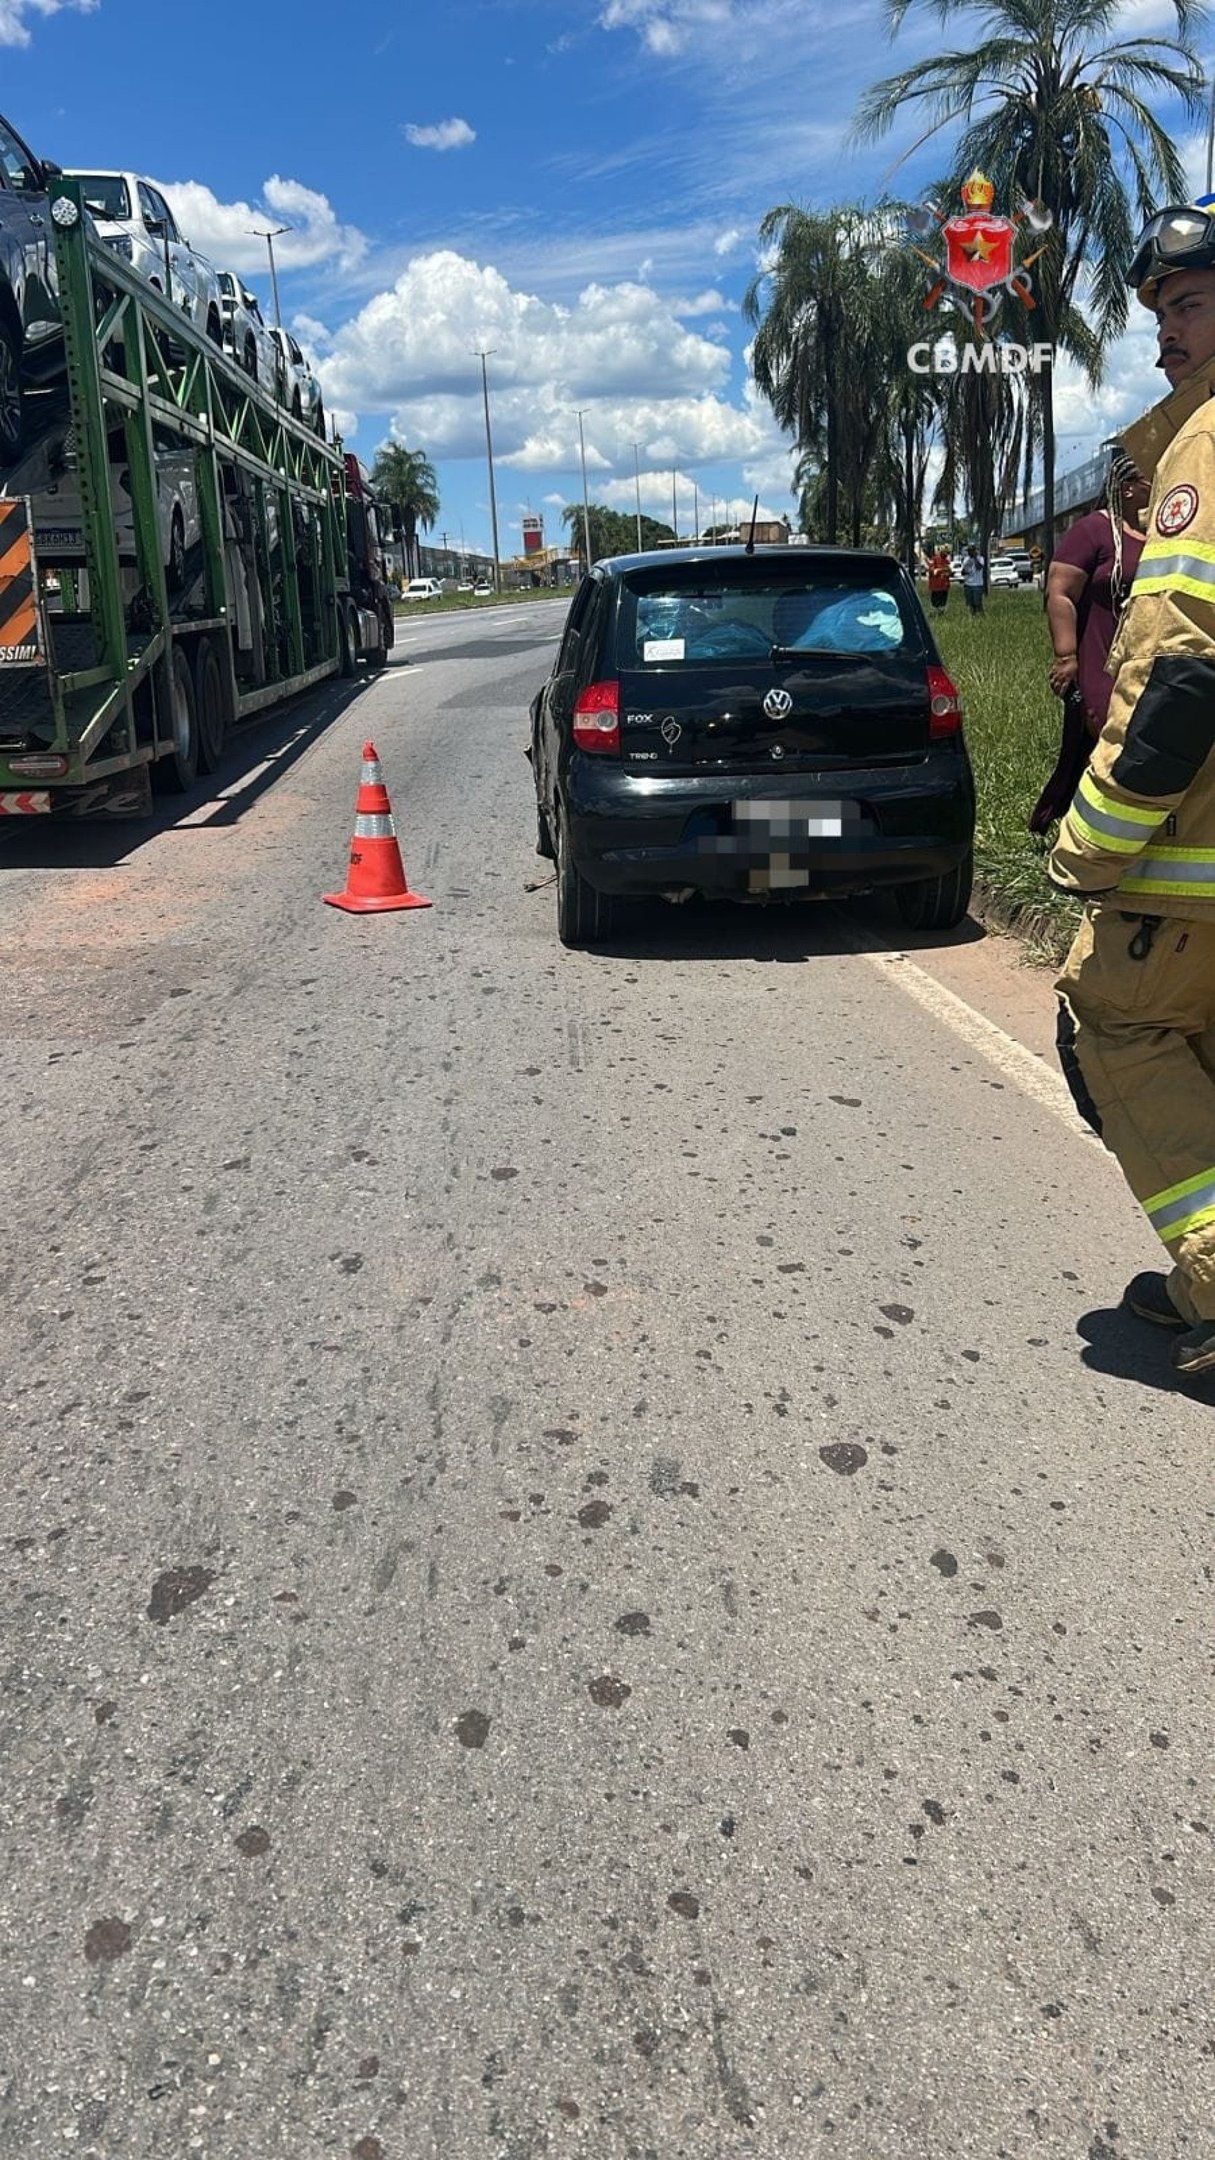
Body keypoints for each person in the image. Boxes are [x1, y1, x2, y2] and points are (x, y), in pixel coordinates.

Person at [1050, 194, 1215, 1379]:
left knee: (1114, 1018)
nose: (1167, 331)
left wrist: (1088, 847)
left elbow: (1180, 683)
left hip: (1189, 859)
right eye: (1162, 308)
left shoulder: (1205, 445)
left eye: (1193, 303)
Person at [1030, 450, 1151, 833]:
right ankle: (1089, 831)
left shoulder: (1155, 534)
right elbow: (1060, 592)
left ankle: (1093, 824)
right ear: (1127, 489)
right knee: (1109, 738)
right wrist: (1067, 656)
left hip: (1144, 656)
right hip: (1099, 655)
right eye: (1149, 480)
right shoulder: (1093, 530)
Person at [925, 545, 952, 611]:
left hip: (944, 586)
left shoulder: (946, 561)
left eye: (947, 553)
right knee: (936, 604)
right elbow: (933, 571)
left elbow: (949, 571)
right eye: (945, 552)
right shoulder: (935, 559)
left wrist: (944, 571)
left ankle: (941, 613)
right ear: (941, 552)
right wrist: (942, 570)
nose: (946, 554)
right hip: (936, 586)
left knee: (943, 603)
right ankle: (936, 613)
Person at [960, 546, 984, 613]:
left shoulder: (980, 558)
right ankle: (972, 617)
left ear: (975, 551)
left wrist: (975, 558)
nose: (970, 552)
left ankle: (980, 616)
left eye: (972, 551)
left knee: (977, 603)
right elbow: (963, 572)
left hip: (977, 584)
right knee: (970, 604)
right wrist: (965, 570)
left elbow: (979, 567)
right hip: (968, 584)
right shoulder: (966, 559)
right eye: (969, 551)